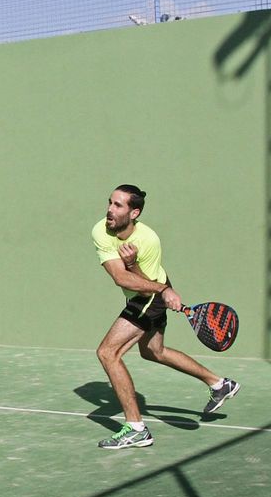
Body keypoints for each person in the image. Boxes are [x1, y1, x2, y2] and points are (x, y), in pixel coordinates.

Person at [92, 185, 238, 449]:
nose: (110, 210)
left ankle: (136, 428)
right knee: (153, 351)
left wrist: (161, 288)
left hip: (149, 295)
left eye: (118, 205)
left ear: (134, 212)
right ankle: (219, 384)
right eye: (110, 203)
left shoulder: (148, 240)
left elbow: (143, 283)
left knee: (107, 353)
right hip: (151, 290)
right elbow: (120, 276)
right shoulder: (101, 230)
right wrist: (137, 268)